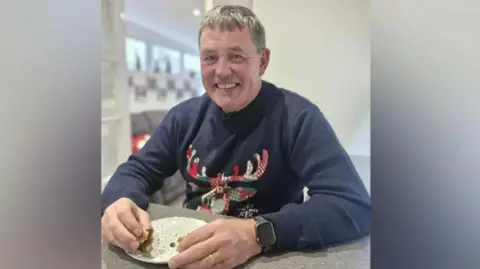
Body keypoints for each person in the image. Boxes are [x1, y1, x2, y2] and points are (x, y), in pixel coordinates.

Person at [101, 5, 371, 269]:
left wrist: (258, 234)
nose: (221, 71)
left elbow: (353, 205)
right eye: (210, 57)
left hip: (268, 254)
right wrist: (120, 201)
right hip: (187, 250)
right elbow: (137, 170)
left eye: (236, 56)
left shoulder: (298, 117)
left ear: (262, 61)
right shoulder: (182, 118)